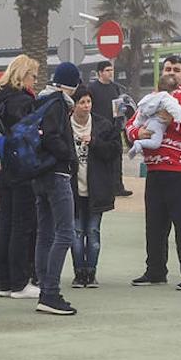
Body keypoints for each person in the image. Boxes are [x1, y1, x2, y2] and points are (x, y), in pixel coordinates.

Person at [128, 54, 181, 290]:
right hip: (154, 170)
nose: (172, 73)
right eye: (168, 69)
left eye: (176, 69)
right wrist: (138, 135)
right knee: (154, 225)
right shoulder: (151, 99)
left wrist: (175, 121)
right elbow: (130, 126)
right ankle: (155, 271)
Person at [26, 62, 82, 316]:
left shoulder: (40, 101)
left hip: (39, 175)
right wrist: (69, 156)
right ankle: (50, 292)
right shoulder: (58, 103)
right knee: (65, 233)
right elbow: (52, 137)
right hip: (57, 174)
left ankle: (43, 287)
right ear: (72, 84)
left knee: (45, 233)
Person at [0, 56, 41, 299]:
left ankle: (5, 281)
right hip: (21, 167)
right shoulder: (24, 101)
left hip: (1, 166)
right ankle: (20, 281)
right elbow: (30, 135)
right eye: (33, 76)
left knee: (6, 224)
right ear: (23, 75)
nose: (35, 81)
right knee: (22, 226)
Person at [69, 86, 121, 289]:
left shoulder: (102, 125)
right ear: (73, 105)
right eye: (81, 102)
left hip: (97, 189)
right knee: (75, 232)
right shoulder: (65, 126)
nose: (86, 106)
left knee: (93, 232)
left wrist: (95, 143)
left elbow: (114, 150)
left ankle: (91, 271)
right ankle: (78, 272)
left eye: (88, 102)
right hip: (73, 189)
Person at [86, 60, 130, 197]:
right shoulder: (92, 89)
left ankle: (118, 186)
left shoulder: (116, 88)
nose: (110, 73)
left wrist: (119, 124)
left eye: (111, 70)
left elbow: (119, 107)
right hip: (99, 129)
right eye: (107, 70)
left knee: (117, 158)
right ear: (100, 72)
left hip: (114, 128)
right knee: (101, 158)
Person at [127, 76, 181, 159]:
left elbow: (141, 114)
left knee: (150, 138)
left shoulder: (149, 98)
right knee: (155, 143)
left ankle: (140, 147)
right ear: (173, 90)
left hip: (148, 123)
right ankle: (139, 144)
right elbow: (175, 109)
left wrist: (137, 125)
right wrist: (179, 119)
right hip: (158, 124)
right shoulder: (167, 99)